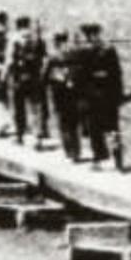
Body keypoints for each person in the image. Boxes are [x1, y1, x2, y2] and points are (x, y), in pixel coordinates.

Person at [73, 23, 125, 170]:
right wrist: (119, 94)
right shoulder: (109, 49)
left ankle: (98, 159)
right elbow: (117, 74)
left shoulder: (84, 51)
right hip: (109, 94)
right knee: (113, 127)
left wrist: (79, 96)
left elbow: (80, 76)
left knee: (95, 128)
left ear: (87, 34)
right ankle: (118, 157)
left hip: (92, 96)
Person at [5, 16, 49, 147]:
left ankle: (19, 135)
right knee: (36, 107)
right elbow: (45, 58)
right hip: (34, 78)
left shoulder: (14, 39)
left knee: (18, 107)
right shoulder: (38, 39)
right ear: (28, 25)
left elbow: (9, 61)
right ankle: (38, 137)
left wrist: (4, 77)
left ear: (17, 26)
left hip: (18, 78)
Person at [44, 30, 80, 162]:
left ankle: (69, 152)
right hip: (73, 93)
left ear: (56, 41)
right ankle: (77, 152)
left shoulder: (53, 55)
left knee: (63, 122)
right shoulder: (74, 53)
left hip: (59, 93)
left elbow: (45, 74)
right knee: (74, 123)